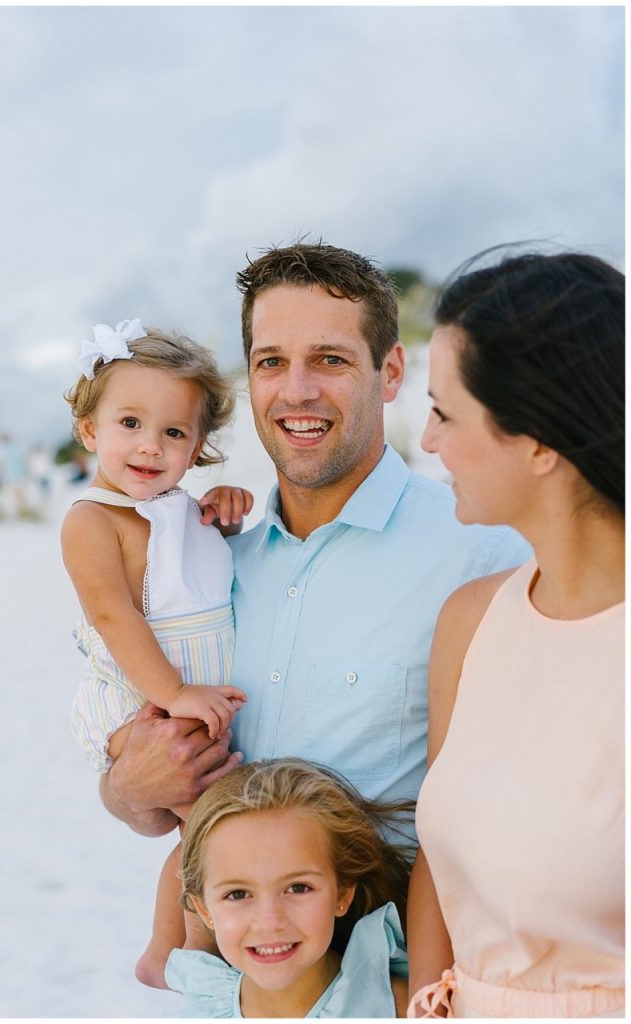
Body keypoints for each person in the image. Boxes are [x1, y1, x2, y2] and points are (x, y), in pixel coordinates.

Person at [98, 243, 530, 974]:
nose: (295, 391)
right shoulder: (207, 559)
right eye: (270, 362)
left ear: (389, 372)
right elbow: (144, 755)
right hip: (231, 975)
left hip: (392, 975)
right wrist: (125, 791)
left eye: (329, 359)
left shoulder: (481, 550)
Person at [406, 250, 624, 1018]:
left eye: (442, 412)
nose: (427, 442)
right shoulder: (469, 622)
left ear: (538, 442)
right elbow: (438, 860)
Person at [61, 318, 253, 986]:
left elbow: (196, 570)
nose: (150, 446)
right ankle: (200, 956)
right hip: (145, 701)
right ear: (90, 431)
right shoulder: (91, 520)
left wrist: (223, 517)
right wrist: (172, 697)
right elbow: (114, 617)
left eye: (174, 432)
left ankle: (162, 950)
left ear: (198, 447)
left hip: (186, 699)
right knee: (217, 828)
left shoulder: (182, 509)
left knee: (208, 826)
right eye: (130, 424)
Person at [166, 757, 413, 1017]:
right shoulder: (198, 1012)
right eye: (237, 894)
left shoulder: (396, 1007)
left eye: (298, 888)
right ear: (204, 911)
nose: (270, 922)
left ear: (342, 893)